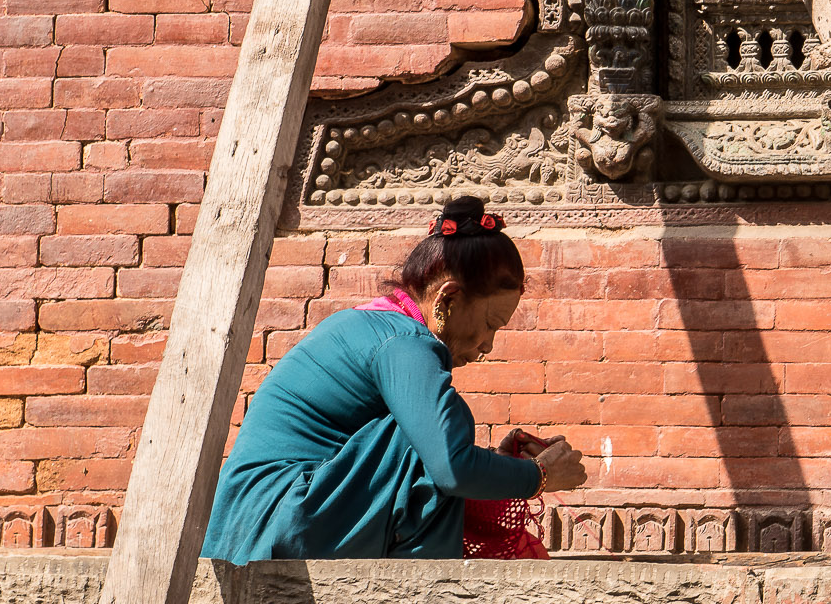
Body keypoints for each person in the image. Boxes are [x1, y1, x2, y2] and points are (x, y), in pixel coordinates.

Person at [203, 197, 587, 561]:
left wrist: (494, 465)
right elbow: (448, 468)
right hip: (279, 519)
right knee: (437, 433)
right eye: (490, 324)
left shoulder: (375, 327)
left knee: (435, 436)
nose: (488, 344)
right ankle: (428, 595)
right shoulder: (404, 342)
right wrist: (538, 475)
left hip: (255, 523)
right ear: (448, 299)